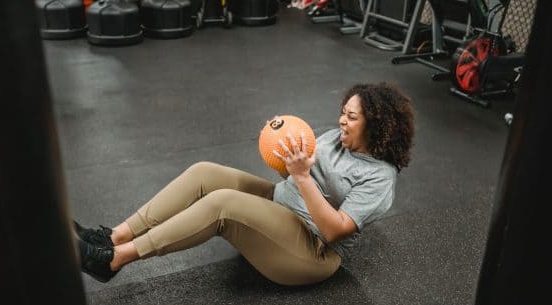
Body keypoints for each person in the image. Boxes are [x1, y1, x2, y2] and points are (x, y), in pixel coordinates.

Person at [74, 82, 415, 286]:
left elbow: (335, 230)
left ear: (377, 124)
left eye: (351, 116)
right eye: (343, 111)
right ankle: (115, 235)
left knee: (223, 203)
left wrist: (300, 176)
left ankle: (114, 260)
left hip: (310, 251)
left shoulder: (380, 177)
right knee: (204, 171)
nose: (342, 119)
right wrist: (281, 150)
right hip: (279, 206)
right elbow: (293, 177)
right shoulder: (333, 139)